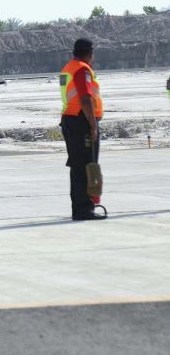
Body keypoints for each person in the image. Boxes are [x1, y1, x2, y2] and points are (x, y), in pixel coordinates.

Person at [59, 38, 107, 220]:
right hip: (81, 121)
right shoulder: (82, 69)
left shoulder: (69, 68)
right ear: (90, 53)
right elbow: (86, 98)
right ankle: (84, 209)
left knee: (77, 165)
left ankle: (80, 208)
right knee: (85, 165)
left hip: (70, 120)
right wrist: (93, 125)